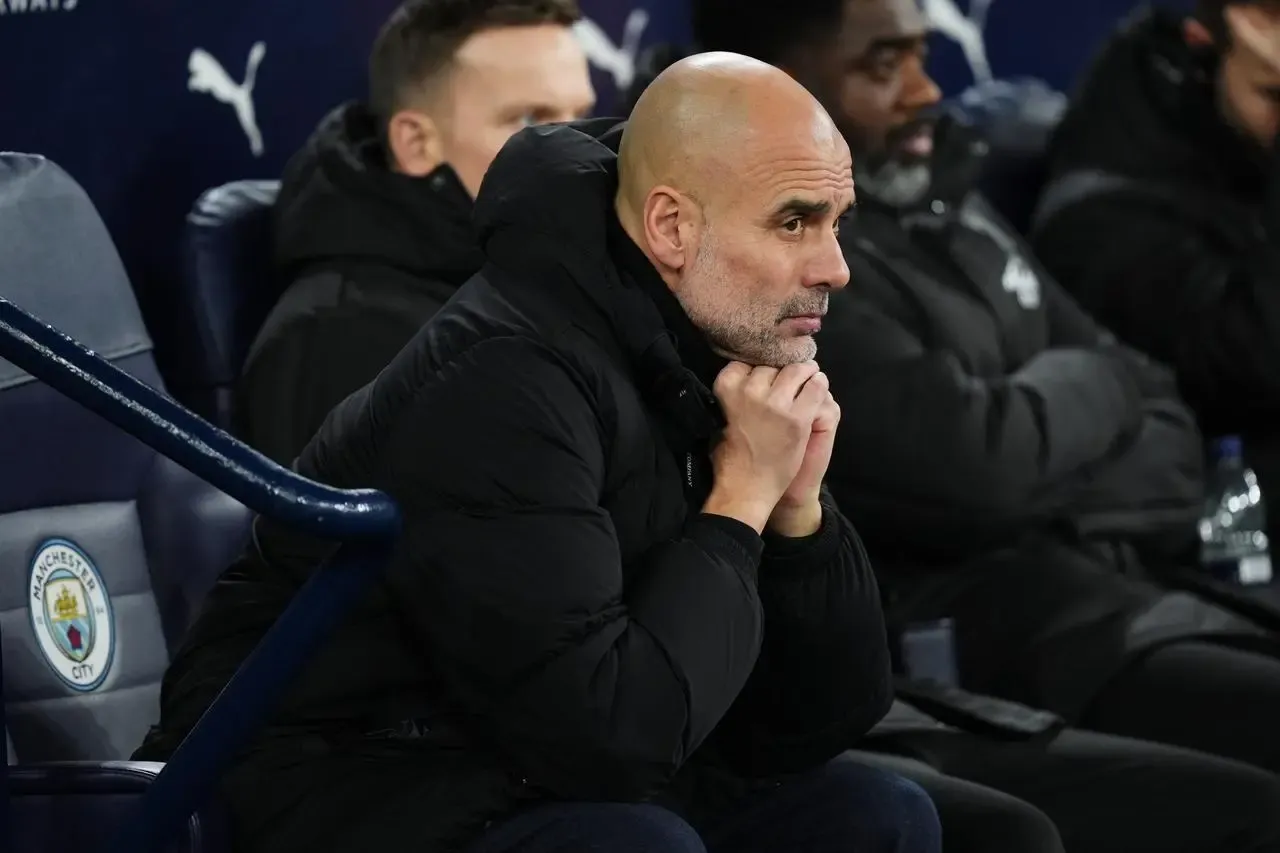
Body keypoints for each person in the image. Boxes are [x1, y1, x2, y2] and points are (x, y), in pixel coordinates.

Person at [136, 54, 941, 853]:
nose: (835, 267)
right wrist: (738, 505)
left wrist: (796, 511)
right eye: (794, 221)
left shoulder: (714, 338)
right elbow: (608, 738)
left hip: (515, 761)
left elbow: (813, 725)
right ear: (670, 227)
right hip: (337, 777)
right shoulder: (505, 375)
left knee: (887, 816)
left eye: (839, 221)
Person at [685, 0, 1280, 842]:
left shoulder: (954, 204)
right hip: (989, 644)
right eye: (883, 64)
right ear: (770, 84)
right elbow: (972, 469)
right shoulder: (792, 272)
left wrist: (1041, 447)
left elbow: (1162, 410)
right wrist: (1081, 408)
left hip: (1125, 593)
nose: (928, 89)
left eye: (923, 54)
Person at [238, 0, 596, 464]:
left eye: (583, 116)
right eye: (529, 120)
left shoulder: (558, 276)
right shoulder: (339, 338)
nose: (583, 152)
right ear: (416, 143)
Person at [1031, 0, 1280, 552]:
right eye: (1275, 95)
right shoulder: (1102, 213)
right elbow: (1257, 363)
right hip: (1221, 545)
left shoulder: (1242, 144)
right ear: (1199, 48)